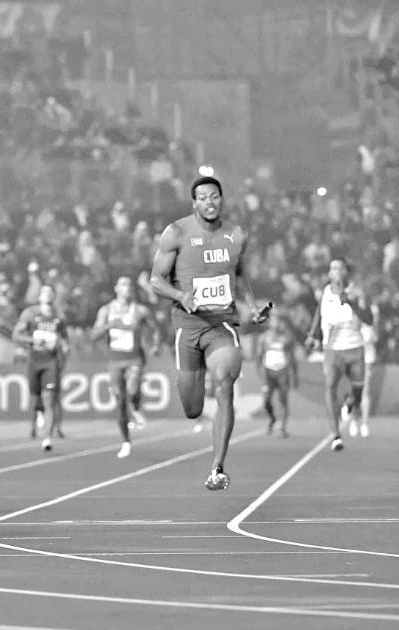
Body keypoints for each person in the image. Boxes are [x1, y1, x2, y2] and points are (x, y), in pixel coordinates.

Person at [149, 176, 268, 491]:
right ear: (194, 203)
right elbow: (156, 280)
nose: (209, 202)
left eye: (214, 196)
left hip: (221, 324)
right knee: (192, 409)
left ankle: (217, 467)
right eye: (203, 197)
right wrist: (181, 296)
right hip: (188, 326)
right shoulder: (176, 233)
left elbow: (240, 275)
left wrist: (252, 307)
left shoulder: (237, 235)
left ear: (221, 199)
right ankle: (197, 373)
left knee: (225, 383)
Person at [304, 258, 373, 451]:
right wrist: (312, 335)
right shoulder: (325, 292)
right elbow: (318, 315)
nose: (335, 271)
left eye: (339, 268)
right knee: (330, 386)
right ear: (329, 273)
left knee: (358, 390)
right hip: (332, 349)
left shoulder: (357, 292)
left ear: (346, 272)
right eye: (332, 268)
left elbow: (369, 319)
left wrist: (351, 302)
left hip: (354, 347)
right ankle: (336, 435)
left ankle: (350, 402)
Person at [90, 275, 157, 459]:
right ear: (116, 289)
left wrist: (154, 344)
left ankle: (135, 407)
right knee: (119, 400)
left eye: (129, 285)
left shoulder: (140, 310)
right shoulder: (106, 310)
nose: (127, 287)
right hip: (115, 360)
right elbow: (94, 334)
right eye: (123, 284)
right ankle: (126, 441)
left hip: (135, 359)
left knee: (132, 391)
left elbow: (154, 328)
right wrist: (110, 325)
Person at [12, 283, 69, 451]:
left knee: (49, 400)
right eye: (44, 292)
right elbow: (16, 335)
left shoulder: (59, 317)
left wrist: (64, 355)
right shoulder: (30, 314)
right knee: (36, 398)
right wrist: (33, 340)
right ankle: (38, 413)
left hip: (51, 362)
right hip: (34, 361)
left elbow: (65, 341)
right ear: (39, 296)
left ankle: (47, 438)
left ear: (54, 296)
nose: (47, 294)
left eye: (50, 292)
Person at [254, 308, 299, 438]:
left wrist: (295, 375)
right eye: (274, 321)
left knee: (283, 399)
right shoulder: (264, 338)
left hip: (283, 371)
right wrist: (259, 372)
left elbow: (292, 357)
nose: (277, 324)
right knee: (266, 400)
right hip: (268, 372)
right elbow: (259, 356)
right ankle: (272, 418)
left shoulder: (287, 337)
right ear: (270, 322)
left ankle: (282, 427)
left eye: (279, 321)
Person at [358, 300, 379, 438]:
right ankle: (354, 419)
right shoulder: (353, 328)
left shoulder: (368, 330)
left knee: (365, 391)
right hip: (354, 361)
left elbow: (375, 338)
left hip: (366, 362)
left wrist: (375, 320)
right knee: (353, 391)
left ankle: (364, 423)